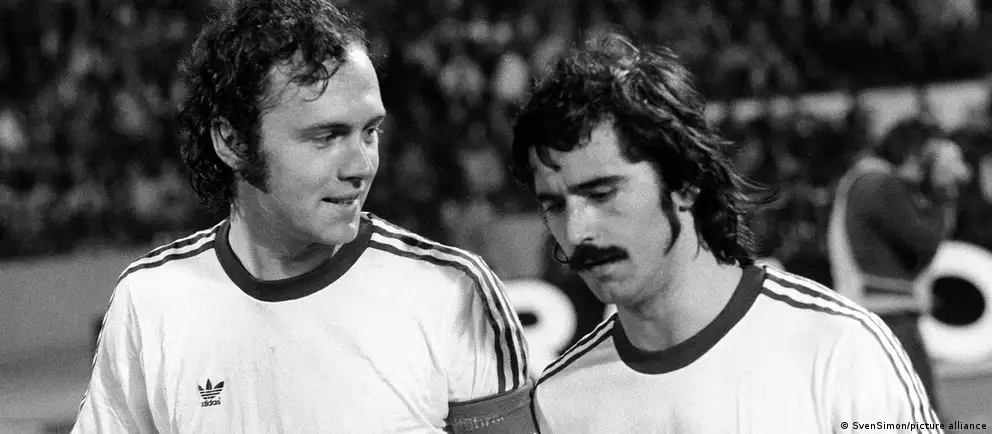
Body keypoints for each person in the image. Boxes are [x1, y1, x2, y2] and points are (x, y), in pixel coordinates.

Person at [71, 1, 534, 432]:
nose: (361, 166)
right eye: (326, 137)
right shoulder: (150, 303)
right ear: (232, 142)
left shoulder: (453, 293)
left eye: (370, 132)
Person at [511, 33, 942, 433]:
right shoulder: (558, 402)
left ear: (684, 182)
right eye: (554, 205)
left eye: (602, 193)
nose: (577, 230)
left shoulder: (839, 350)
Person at [828, 118, 971, 416]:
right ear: (915, 152)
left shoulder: (866, 179)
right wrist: (944, 192)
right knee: (920, 413)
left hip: (877, 311)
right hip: (885, 314)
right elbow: (925, 240)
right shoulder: (878, 182)